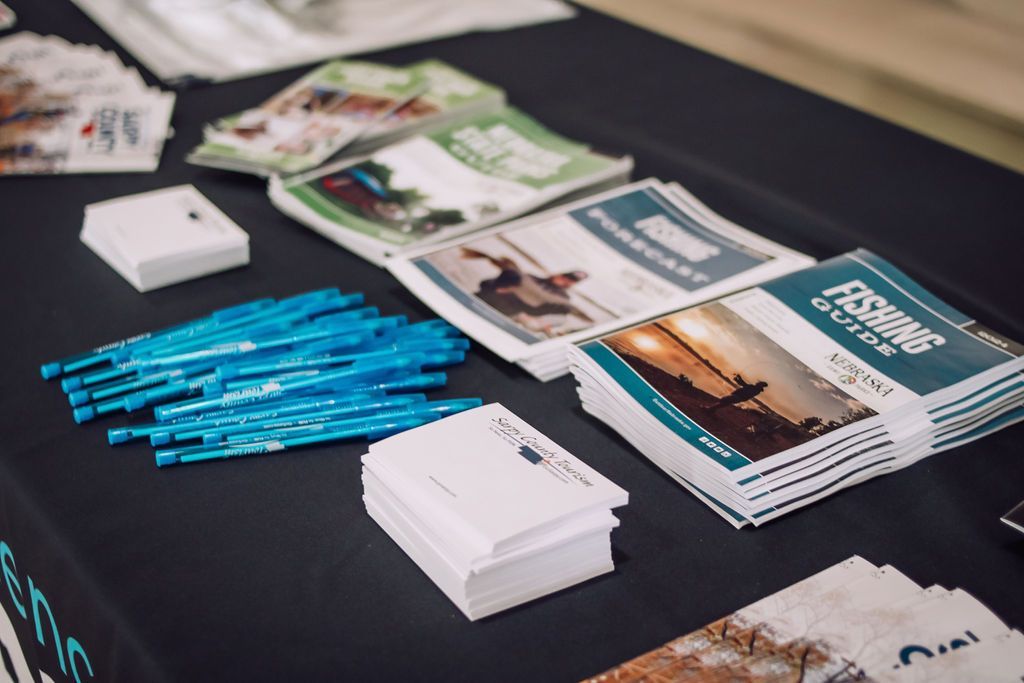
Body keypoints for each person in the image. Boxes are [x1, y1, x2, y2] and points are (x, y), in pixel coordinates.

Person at [459, 247, 593, 335]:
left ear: (573, 284)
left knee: (564, 311)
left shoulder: (563, 298)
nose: (565, 280)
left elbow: (556, 312)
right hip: (489, 296)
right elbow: (486, 283)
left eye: (571, 280)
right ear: (559, 274)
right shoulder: (530, 277)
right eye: (566, 276)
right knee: (512, 273)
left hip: (510, 311)